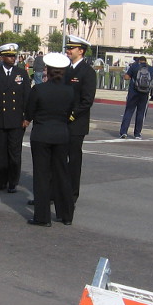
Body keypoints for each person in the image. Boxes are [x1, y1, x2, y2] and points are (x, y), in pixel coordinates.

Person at [25, 53, 75, 227]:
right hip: (61, 134)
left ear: (48, 70)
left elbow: (29, 113)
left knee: (42, 176)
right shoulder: (70, 90)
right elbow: (69, 113)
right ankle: (66, 214)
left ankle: (43, 217)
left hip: (41, 134)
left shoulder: (39, 89)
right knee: (62, 174)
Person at [0, 43, 31, 194]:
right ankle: (1, 181)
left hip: (16, 120)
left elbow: (27, 96)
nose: (13, 58)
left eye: (14, 56)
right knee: (0, 152)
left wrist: (27, 117)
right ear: (2, 57)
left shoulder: (21, 74)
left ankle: (13, 181)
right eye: (9, 56)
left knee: (14, 152)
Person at [64, 35, 96, 203]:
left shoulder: (87, 72)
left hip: (76, 123)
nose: (68, 51)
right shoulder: (65, 69)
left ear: (81, 51)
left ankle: (71, 195)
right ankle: (55, 193)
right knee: (58, 159)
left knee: (73, 161)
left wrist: (71, 115)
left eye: (71, 48)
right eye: (68, 48)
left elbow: (86, 101)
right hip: (61, 123)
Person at [119, 55, 153, 139]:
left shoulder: (134, 66)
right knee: (141, 114)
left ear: (138, 61)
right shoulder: (150, 69)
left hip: (133, 92)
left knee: (129, 111)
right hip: (145, 94)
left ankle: (123, 132)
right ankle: (137, 133)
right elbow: (151, 79)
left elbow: (127, 77)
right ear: (146, 61)